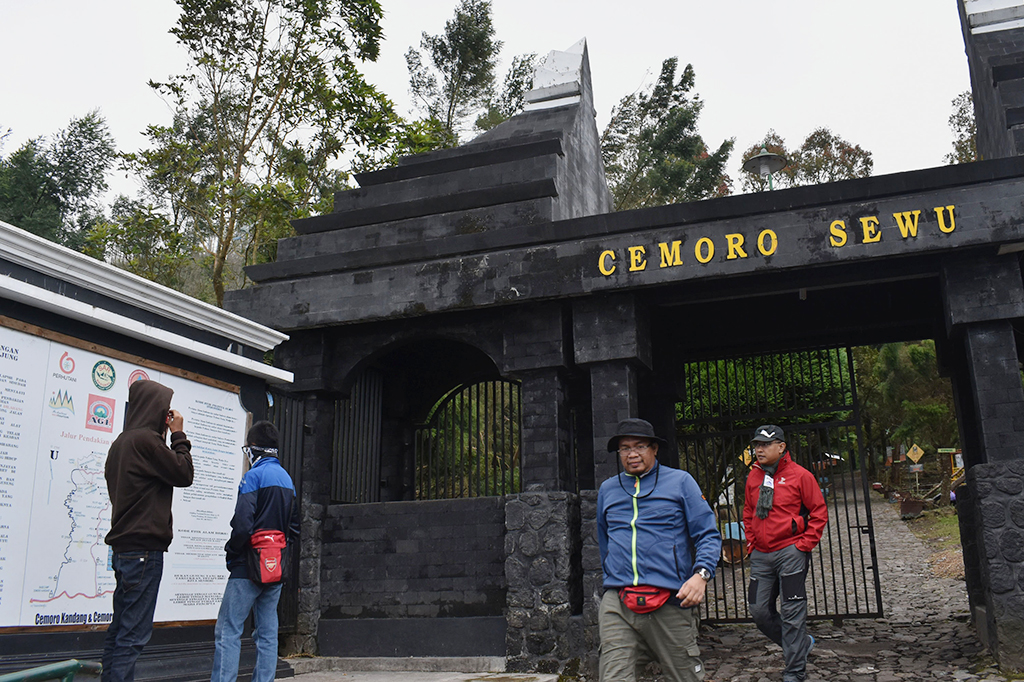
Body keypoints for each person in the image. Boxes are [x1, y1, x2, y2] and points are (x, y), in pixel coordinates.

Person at [596, 418, 722, 682]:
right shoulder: (608, 490)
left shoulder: (681, 482)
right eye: (624, 448)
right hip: (619, 601)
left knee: (686, 676)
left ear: (654, 448)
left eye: (640, 446)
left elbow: (708, 534)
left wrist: (701, 575)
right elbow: (604, 539)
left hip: (670, 600)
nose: (632, 454)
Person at [103, 379, 194, 682]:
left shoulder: (120, 444)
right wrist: (178, 434)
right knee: (134, 635)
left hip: (124, 549)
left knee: (119, 631)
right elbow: (183, 473)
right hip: (144, 551)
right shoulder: (146, 442)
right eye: (164, 409)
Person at [210, 421, 300, 682]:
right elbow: (294, 529)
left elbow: (242, 525)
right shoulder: (287, 480)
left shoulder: (253, 477)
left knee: (228, 630)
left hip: (245, 568)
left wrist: (232, 552)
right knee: (267, 634)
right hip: (275, 569)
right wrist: (276, 553)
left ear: (253, 449)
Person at [743, 425, 828, 682]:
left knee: (792, 613)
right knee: (758, 611)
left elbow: (818, 512)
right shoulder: (753, 477)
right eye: (757, 445)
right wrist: (751, 542)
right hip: (761, 554)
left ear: (781, 447)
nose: (759, 449)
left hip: (790, 552)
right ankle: (801, 645)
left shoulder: (801, 475)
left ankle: (794, 672)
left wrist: (803, 545)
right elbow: (748, 512)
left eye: (765, 445)